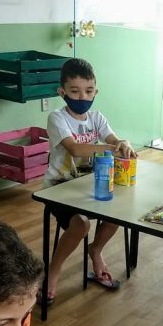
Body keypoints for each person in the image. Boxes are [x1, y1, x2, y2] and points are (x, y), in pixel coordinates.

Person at [41, 57, 138, 305]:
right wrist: (109, 146)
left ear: (96, 91)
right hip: (60, 189)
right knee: (81, 224)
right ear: (62, 92)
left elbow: (114, 139)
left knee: (120, 211)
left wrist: (122, 143)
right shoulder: (57, 118)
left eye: (89, 91)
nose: (83, 97)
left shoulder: (96, 117)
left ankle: (96, 250)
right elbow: (74, 149)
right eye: (75, 91)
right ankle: (53, 271)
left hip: (90, 186)